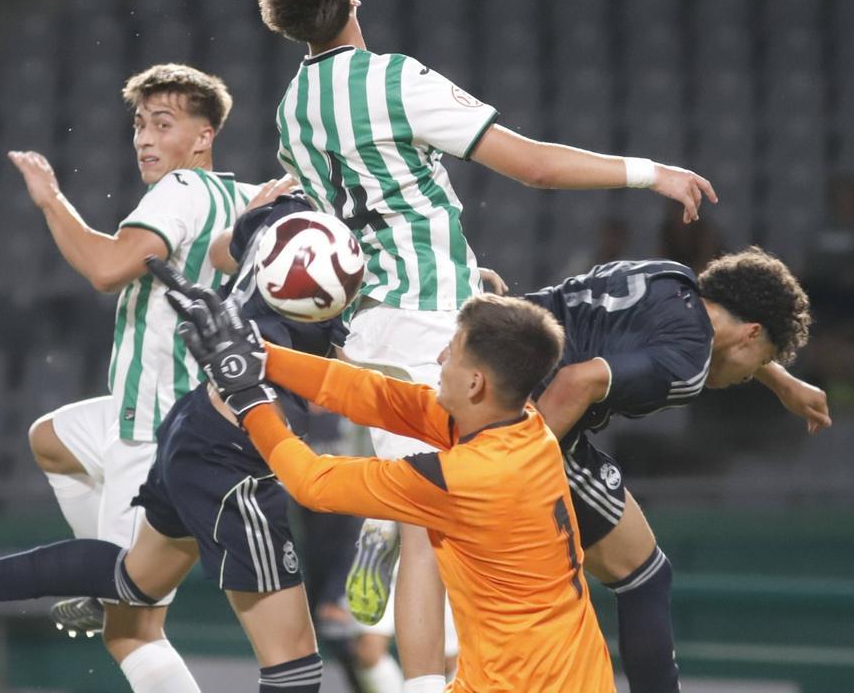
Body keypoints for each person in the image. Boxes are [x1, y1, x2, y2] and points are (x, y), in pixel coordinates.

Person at [256, 0, 717, 692]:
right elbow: (533, 166)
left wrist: (466, 270)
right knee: (439, 526)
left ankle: (387, 555)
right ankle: (423, 668)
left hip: (370, 328)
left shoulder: (292, 110)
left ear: (283, 21)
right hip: (435, 330)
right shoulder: (393, 79)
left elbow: (352, 227)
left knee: (423, 513)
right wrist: (650, 172)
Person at [0, 191, 338, 692]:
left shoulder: (285, 208)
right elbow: (354, 380)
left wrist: (256, 233)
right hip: (239, 448)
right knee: (294, 665)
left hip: (195, 421)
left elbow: (221, 252)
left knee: (133, 582)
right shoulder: (362, 247)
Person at [161, 273, 616, 693]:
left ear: (476, 383)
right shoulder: (523, 427)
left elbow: (313, 482)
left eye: (452, 350)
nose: (439, 357)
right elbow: (375, 396)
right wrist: (262, 357)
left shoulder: (464, 477)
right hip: (579, 676)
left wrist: (248, 399)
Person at [0, 63, 264, 692]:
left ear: (204, 137)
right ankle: (106, 571)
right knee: (50, 439)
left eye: (163, 124)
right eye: (140, 124)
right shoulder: (245, 198)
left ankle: (112, 579)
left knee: (132, 632)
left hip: (154, 429)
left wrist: (50, 200)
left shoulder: (181, 190)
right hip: (176, 411)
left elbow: (107, 268)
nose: (144, 138)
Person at [525, 248, 829, 692]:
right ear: (751, 333)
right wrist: (506, 468)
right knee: (643, 576)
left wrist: (782, 380)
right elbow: (576, 381)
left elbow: (716, 335)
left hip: (493, 343)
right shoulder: (686, 367)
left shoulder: (668, 276)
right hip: (526, 405)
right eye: (761, 361)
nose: (750, 376)